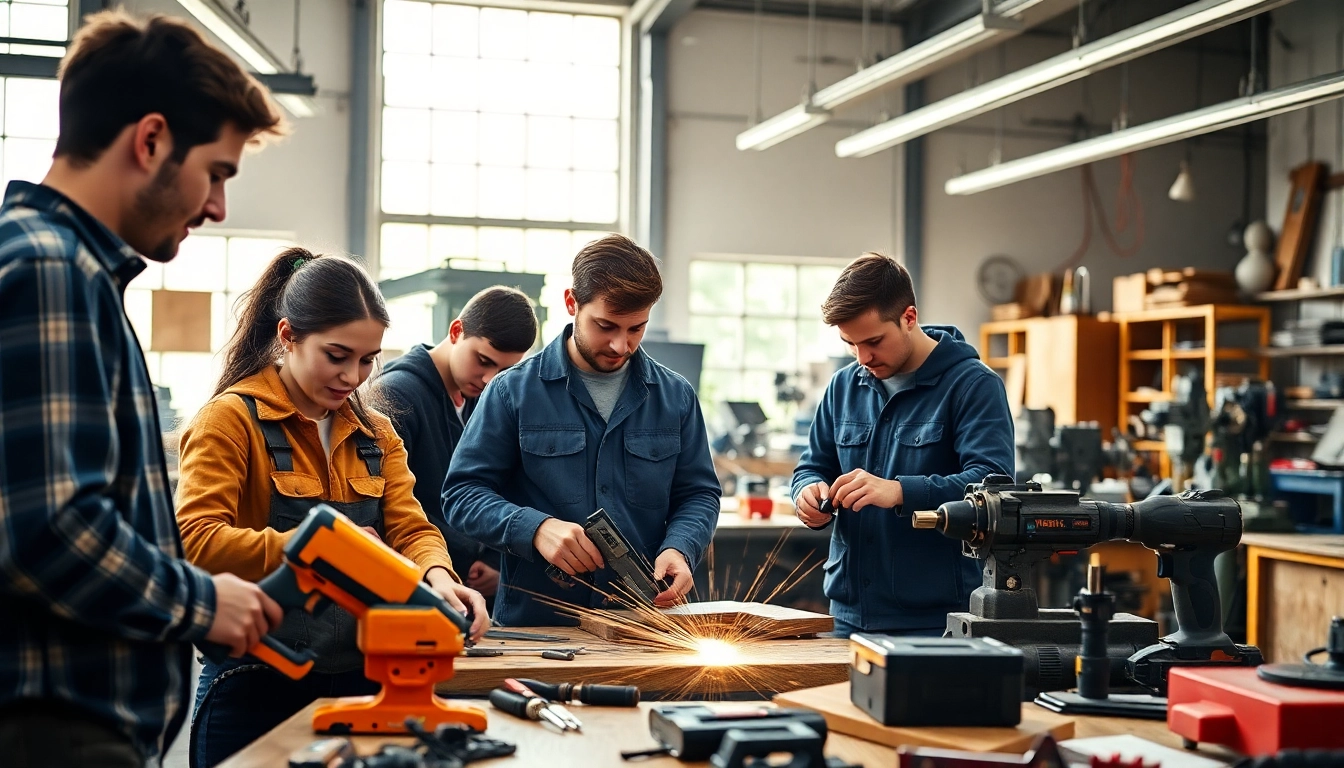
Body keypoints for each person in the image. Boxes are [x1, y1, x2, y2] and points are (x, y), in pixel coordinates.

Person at [0, 11, 289, 768]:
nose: (218, 207)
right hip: (52, 729)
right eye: (218, 173)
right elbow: (48, 530)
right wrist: (203, 601)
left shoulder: (68, 272)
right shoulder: (50, 271)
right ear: (151, 139)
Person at [175, 249, 490, 768]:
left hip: (364, 681)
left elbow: (411, 527)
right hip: (254, 683)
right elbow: (196, 541)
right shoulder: (229, 421)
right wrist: (319, 550)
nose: (353, 377)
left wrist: (438, 576)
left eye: (368, 360)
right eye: (337, 355)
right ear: (288, 336)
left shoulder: (375, 433)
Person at [443, 234, 720, 627]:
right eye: (605, 326)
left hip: (644, 625)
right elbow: (461, 496)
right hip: (539, 628)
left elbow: (699, 493)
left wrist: (681, 547)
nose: (620, 344)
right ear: (572, 302)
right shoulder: (511, 392)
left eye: (636, 329)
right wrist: (535, 529)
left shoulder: (676, 398)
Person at [791, 253, 1014, 638]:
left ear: (909, 318)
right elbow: (813, 466)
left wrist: (899, 491)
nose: (863, 358)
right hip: (849, 614)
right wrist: (807, 493)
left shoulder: (973, 385)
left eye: (874, 341)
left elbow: (994, 488)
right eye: (851, 344)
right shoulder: (844, 386)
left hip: (936, 621)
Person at [375, 286, 539, 606]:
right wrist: (463, 556)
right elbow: (388, 506)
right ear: (456, 331)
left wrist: (494, 561)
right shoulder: (395, 398)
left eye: (505, 371)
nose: (490, 379)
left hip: (467, 590)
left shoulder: (484, 400)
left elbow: (498, 487)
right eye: (483, 361)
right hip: (415, 587)